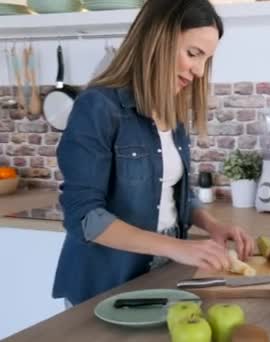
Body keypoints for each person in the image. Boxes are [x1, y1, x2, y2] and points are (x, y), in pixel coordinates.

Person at [54, 0, 254, 306]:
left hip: (163, 275)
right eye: (193, 54)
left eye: (206, 59)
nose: (199, 71)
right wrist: (175, 247)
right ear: (157, 39)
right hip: (106, 288)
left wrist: (214, 227)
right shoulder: (97, 107)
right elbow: (84, 217)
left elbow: (175, 195)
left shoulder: (171, 113)